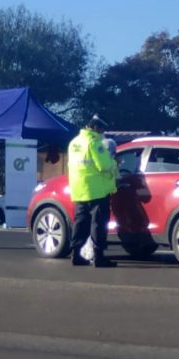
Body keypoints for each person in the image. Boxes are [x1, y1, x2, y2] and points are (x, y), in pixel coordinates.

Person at [67, 115, 118, 268]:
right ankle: (99, 257)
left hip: (78, 188)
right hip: (96, 190)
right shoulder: (95, 143)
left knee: (80, 222)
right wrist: (114, 163)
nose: (103, 133)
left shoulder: (74, 142)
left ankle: (75, 255)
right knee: (99, 224)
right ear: (96, 128)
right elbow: (104, 166)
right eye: (102, 130)